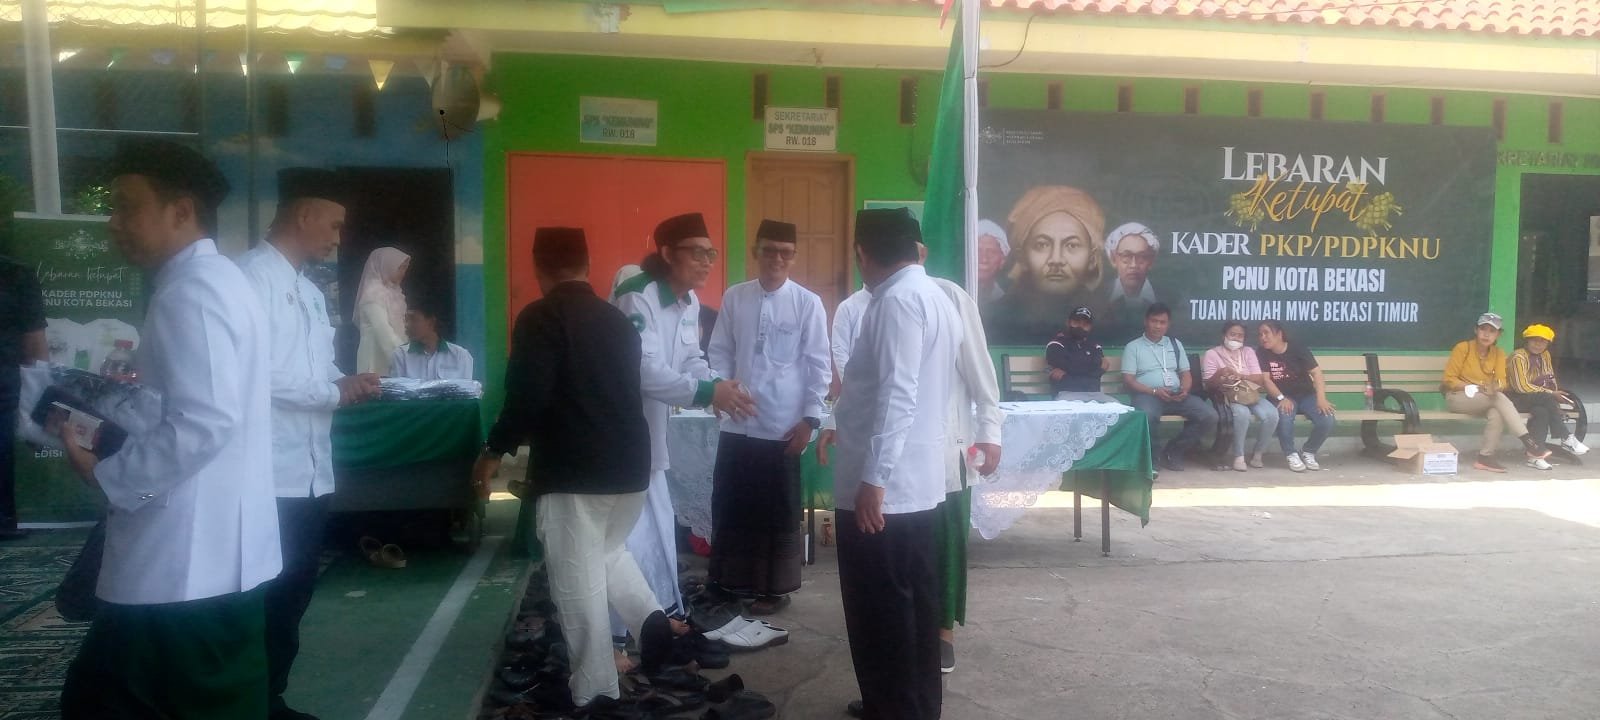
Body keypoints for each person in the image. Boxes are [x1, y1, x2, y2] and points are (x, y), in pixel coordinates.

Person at [57, 138, 280, 719]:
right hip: (208, 554)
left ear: (181, 211)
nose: (113, 223)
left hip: (179, 564)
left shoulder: (193, 293)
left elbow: (205, 419)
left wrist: (108, 476)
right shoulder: (219, 281)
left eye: (127, 206)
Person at [474, 227, 677, 709]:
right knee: (604, 550)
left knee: (575, 579)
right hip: (631, 467)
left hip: (576, 471)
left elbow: (527, 396)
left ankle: (595, 692)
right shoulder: (617, 321)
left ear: (538, 267)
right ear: (587, 265)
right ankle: (650, 619)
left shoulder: (540, 317)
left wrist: (494, 450)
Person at [236, 169, 380, 720]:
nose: (339, 238)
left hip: (311, 471)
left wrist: (349, 381)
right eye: (335, 225)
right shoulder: (249, 280)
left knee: (293, 591)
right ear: (303, 215)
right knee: (260, 597)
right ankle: (247, 701)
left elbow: (317, 369)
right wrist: (332, 391)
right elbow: (259, 375)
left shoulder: (311, 292)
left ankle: (269, 698)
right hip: (267, 474)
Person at [823, 207, 960, 720]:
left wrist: (874, 480)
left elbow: (898, 395)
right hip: (915, 483)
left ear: (863, 252)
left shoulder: (897, 301)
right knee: (914, 604)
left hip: (885, 487)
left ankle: (895, 707)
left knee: (879, 608)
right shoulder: (934, 296)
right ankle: (913, 704)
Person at [613, 212, 755, 620]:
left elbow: (691, 358)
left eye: (711, 253)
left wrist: (719, 386)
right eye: (696, 253)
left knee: (656, 526)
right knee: (630, 534)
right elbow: (644, 371)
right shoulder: (637, 295)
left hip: (652, 429)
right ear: (667, 254)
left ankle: (657, 615)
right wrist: (709, 392)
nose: (707, 262)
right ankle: (626, 626)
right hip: (622, 428)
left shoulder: (689, 301)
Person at [704, 220, 830, 614]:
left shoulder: (807, 303)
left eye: (785, 252)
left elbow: (819, 365)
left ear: (793, 257)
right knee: (732, 503)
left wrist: (811, 420)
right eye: (769, 250)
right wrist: (719, 387)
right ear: (755, 252)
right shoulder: (735, 297)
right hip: (737, 421)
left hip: (782, 425)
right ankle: (728, 583)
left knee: (775, 510)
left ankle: (772, 590)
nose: (777, 258)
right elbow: (719, 350)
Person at [982, 185, 1107, 345]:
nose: (1056, 259)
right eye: (1042, 245)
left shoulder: (1107, 319)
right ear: (1022, 257)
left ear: (1092, 258)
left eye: (1072, 245)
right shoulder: (995, 319)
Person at [1442, 312, 1557, 472]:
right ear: (1476, 330)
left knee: (1497, 411)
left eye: (1492, 331)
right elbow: (1449, 379)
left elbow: (1502, 381)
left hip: (1485, 398)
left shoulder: (1498, 353)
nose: (1486, 334)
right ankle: (1530, 443)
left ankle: (1485, 457)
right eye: (1483, 329)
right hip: (1458, 397)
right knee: (1498, 399)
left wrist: (1495, 386)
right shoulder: (1463, 348)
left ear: (1498, 334)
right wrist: (1469, 387)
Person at [1121, 303, 1218, 472]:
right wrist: (1153, 391)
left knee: (1209, 416)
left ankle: (1173, 452)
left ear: (1168, 324)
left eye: (1162, 322)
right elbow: (1128, 380)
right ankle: (1152, 459)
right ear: (1146, 321)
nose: (1158, 326)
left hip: (1176, 395)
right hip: (1148, 395)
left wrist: (1184, 390)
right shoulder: (1133, 347)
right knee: (1147, 415)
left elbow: (1186, 373)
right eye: (1154, 321)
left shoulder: (1175, 344)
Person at [0, 254, 46, 540]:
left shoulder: (17, 275)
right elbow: (35, 344)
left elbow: (35, 344)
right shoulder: (17, 274)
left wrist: (41, 405)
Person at [1255, 320, 1336, 473]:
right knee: (1285, 416)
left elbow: (1317, 373)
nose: (1263, 337)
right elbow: (1266, 380)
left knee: (1327, 419)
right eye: (1260, 334)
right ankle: (1290, 454)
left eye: (1266, 333)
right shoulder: (1262, 352)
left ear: (1279, 334)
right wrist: (1281, 398)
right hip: (1281, 396)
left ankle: (1309, 451)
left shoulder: (1297, 348)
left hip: (1306, 395)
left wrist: (1321, 399)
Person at [1202, 321, 1279, 472]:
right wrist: (1221, 374)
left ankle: (1258, 454)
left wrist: (1240, 376)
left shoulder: (1248, 351)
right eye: (1232, 334)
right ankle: (1239, 456)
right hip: (1229, 395)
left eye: (1240, 336)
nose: (1236, 338)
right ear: (1224, 335)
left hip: (1249, 393)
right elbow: (1208, 384)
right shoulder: (1212, 354)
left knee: (1272, 414)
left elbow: (1258, 378)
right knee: (1242, 414)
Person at [1507, 324, 1589, 456]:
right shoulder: (1518, 357)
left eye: (1543, 341)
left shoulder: (1545, 355)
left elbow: (1550, 378)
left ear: (1547, 344)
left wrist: (1553, 394)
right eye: (1534, 340)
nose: (1538, 344)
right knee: (1546, 398)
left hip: (1537, 399)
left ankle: (1535, 454)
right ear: (1527, 341)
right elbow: (1521, 387)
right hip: (1514, 398)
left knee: (1542, 411)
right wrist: (1551, 394)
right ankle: (1565, 436)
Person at [354, 246, 410, 375]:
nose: (403, 272)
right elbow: (383, 331)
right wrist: (406, 356)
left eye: (405, 268)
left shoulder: (395, 292)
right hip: (376, 362)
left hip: (396, 357)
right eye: (400, 268)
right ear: (386, 265)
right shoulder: (372, 294)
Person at [390, 300, 476, 381]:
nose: (407, 325)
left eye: (413, 319)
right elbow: (398, 390)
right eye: (406, 320)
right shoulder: (401, 356)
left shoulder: (461, 356)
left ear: (431, 322)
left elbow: (465, 390)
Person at [1104, 222, 1160, 330]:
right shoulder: (1096, 297)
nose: (1134, 265)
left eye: (1142, 257)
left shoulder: (1171, 299)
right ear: (1113, 259)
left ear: (1151, 261)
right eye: (1126, 256)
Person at [1045, 306, 1108, 395]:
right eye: (1076, 322)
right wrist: (1093, 372)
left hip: (1094, 396)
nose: (1080, 327)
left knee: (1115, 402)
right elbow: (1096, 373)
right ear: (1068, 323)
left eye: (1085, 324)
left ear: (1090, 327)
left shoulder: (1095, 346)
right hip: (1065, 396)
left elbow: (1068, 373)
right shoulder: (1056, 344)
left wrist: (1069, 374)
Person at [830, 285, 871, 396]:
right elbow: (840, 350)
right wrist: (853, 386)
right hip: (859, 390)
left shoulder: (900, 304)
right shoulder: (848, 307)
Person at [974, 219, 1009, 304]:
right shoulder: (953, 293)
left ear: (1002, 261)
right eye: (978, 251)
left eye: (991, 252)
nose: (984, 259)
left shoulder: (1007, 301)